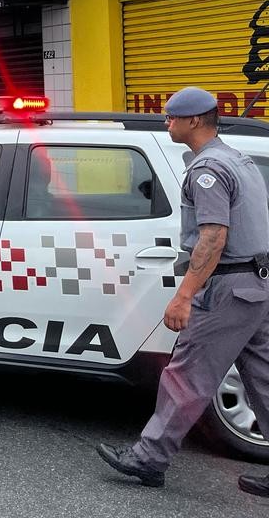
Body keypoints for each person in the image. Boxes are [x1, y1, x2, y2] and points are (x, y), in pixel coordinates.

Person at [97, 86, 269, 496]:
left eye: (172, 117)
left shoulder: (207, 169)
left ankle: (148, 458)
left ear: (194, 121)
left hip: (228, 287)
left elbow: (213, 237)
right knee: (263, 380)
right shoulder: (239, 159)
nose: (167, 122)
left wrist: (184, 295)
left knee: (186, 375)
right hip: (257, 284)